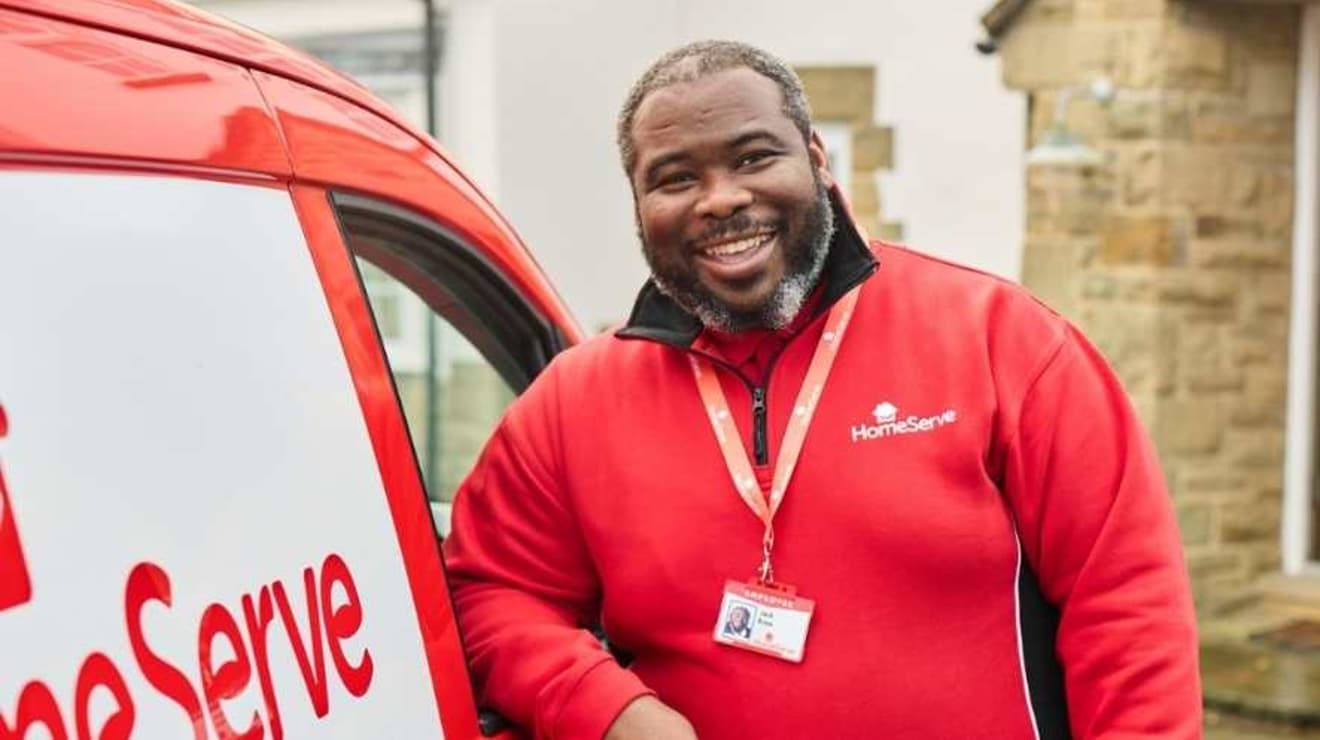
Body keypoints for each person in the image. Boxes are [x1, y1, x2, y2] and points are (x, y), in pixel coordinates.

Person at [443, 40, 1200, 739]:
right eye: (676, 178)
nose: (720, 200)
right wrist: (607, 709)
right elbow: (489, 594)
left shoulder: (1003, 340)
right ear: (639, 204)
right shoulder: (576, 401)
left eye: (753, 157)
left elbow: (1129, 611)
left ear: (815, 157)